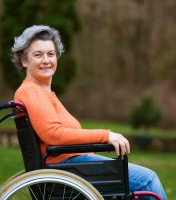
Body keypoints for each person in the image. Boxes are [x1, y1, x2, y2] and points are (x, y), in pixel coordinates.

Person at [13, 25, 167, 200]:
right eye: (38, 55)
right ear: (24, 61)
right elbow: (53, 134)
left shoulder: (42, 93)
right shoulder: (32, 91)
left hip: (71, 165)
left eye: (51, 54)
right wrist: (105, 136)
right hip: (66, 167)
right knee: (147, 180)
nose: (46, 60)